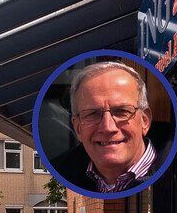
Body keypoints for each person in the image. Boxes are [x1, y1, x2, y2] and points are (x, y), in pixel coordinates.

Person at [52, 61, 168, 193]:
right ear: (78, 128)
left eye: (121, 111)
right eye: (93, 114)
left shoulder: (175, 172)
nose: (108, 127)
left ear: (144, 120)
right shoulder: (65, 173)